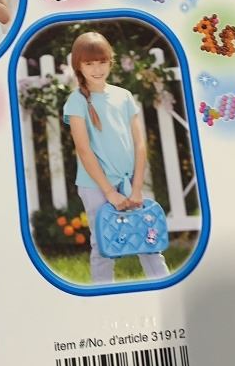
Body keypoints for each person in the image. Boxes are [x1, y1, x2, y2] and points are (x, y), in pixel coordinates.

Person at [62, 31, 169, 284]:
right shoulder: (76, 101)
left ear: (111, 61)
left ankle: (165, 288)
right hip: (96, 186)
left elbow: (139, 144)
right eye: (89, 63)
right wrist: (109, 192)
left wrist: (136, 187)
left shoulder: (124, 96)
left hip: (129, 182)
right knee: (103, 245)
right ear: (78, 65)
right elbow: (84, 150)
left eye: (102, 62)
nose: (97, 69)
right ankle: (103, 296)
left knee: (148, 239)